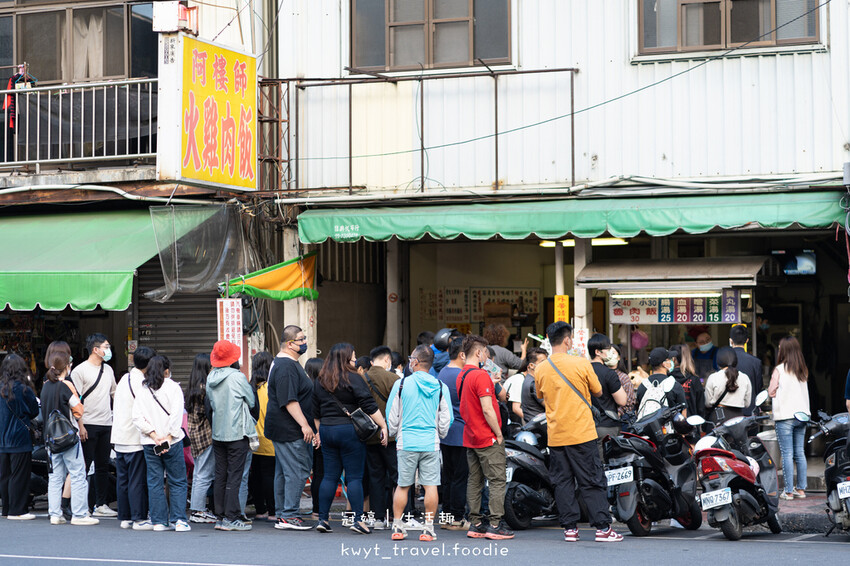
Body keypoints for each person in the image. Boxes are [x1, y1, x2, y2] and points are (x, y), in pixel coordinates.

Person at [534, 322, 623, 543]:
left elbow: (540, 395)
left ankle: (570, 529)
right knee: (591, 480)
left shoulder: (541, 368)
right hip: (581, 432)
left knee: (562, 482)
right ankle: (603, 528)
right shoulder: (581, 363)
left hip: (556, 435)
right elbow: (599, 391)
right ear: (567, 340)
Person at [313, 343, 388, 534]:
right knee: (354, 477)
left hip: (327, 430)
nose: (355, 360)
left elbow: (314, 409)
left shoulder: (321, 379)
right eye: (353, 357)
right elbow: (369, 404)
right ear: (346, 359)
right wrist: (383, 425)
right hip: (349, 431)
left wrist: (318, 432)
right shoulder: (353, 377)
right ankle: (358, 521)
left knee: (329, 476)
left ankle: (322, 519)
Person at [386, 344, 452, 542]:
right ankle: (428, 529)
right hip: (430, 443)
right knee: (430, 486)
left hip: (406, 442)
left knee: (403, 485)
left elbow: (392, 416)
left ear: (415, 361)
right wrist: (439, 435)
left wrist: (396, 434)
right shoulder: (440, 386)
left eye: (410, 358)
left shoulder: (402, 384)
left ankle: (397, 527)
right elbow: (445, 418)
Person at [457, 335, 514, 541]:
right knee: (498, 480)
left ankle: (476, 523)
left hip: (470, 435)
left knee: (475, 480)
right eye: (485, 353)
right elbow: (488, 409)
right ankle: (496, 525)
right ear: (479, 353)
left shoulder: (462, 375)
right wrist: (498, 434)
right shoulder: (480, 375)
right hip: (487, 436)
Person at [265, 326, 316, 531]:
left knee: (284, 471)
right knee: (297, 470)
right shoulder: (286, 366)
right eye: (301, 339)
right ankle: (289, 515)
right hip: (289, 428)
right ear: (290, 344)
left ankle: (282, 512)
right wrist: (305, 425)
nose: (304, 342)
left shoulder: (287, 363)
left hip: (283, 428)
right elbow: (289, 400)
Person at [41, 348, 98, 526]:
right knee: (78, 473)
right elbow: (78, 408)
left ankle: (55, 513)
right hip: (67, 436)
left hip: (50, 439)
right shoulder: (64, 386)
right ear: (66, 367)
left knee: (55, 476)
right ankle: (80, 514)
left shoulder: (45, 388)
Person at [132, 356, 190, 532]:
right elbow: (176, 415)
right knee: (178, 480)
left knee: (155, 481)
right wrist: (169, 437)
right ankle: (178, 519)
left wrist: (154, 434)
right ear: (166, 370)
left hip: (150, 443)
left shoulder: (143, 389)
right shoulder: (173, 388)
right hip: (172, 441)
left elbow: (137, 416)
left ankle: (158, 521)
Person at [206, 340, 257, 532]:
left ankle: (220, 517)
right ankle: (231, 517)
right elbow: (251, 401)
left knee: (220, 475)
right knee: (235, 476)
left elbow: (211, 403)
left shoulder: (211, 377)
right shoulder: (237, 377)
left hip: (218, 432)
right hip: (236, 432)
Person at [71, 333, 117, 517]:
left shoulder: (109, 370)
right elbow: (75, 401)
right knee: (84, 465)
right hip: (88, 424)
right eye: (106, 347)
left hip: (106, 423)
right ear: (95, 349)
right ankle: (81, 505)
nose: (108, 350)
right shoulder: (79, 371)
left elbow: (115, 394)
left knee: (103, 466)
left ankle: (101, 504)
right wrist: (80, 425)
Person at [110, 346, 154, 530]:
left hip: (119, 436)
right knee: (136, 479)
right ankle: (138, 518)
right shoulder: (140, 382)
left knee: (124, 479)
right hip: (133, 437)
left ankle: (126, 517)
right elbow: (145, 409)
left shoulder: (125, 378)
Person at [769, 336, 810, 500]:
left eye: (780, 348)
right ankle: (801, 489)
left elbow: (772, 391)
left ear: (783, 350)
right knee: (799, 452)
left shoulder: (779, 370)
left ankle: (788, 491)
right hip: (802, 415)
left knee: (787, 453)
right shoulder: (802, 369)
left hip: (785, 416)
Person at [364, 345, 400, 529]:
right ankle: (398, 516)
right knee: (397, 476)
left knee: (375, 476)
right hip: (391, 436)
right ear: (387, 360)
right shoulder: (393, 378)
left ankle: (378, 518)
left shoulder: (362, 378)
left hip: (369, 435)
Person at [0, 354, 40, 520]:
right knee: (19, 475)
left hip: (2, 439)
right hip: (20, 438)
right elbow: (34, 411)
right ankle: (18, 510)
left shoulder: (1, 387)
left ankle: (7, 508)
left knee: (5, 476)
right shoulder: (24, 389)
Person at [437, 337, 469, 530]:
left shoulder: (442, 373)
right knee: (460, 477)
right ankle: (457, 517)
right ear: (462, 354)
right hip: (462, 431)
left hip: (446, 431)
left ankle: (446, 516)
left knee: (448, 476)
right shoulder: (462, 375)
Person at [186, 353, 215, 524]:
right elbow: (210, 414)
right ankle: (198, 511)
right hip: (205, 435)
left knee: (198, 473)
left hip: (195, 435)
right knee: (204, 474)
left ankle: (197, 509)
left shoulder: (192, 387)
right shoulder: (205, 389)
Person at [250, 351, 276, 521]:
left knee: (256, 476)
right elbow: (270, 414)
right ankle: (273, 512)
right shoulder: (269, 388)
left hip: (252, 440)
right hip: (268, 439)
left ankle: (260, 510)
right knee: (269, 477)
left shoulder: (250, 386)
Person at [587, 334, 628, 444]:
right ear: (598, 352)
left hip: (586, 427)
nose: (610, 352)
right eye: (608, 349)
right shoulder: (609, 373)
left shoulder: (583, 371)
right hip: (607, 426)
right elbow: (622, 401)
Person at [705, 347, 752, 423]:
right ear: (735, 361)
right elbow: (747, 404)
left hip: (718, 418)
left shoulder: (713, 377)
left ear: (718, 361)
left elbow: (708, 403)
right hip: (738, 418)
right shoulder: (745, 377)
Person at [636, 348, 688, 416]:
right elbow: (683, 413)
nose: (672, 361)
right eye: (669, 359)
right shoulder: (674, 385)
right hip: (668, 426)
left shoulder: (642, 386)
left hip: (646, 426)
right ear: (664, 364)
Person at [304, 357, 325, 517]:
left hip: (306, 435)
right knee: (321, 473)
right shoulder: (319, 388)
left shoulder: (304, 388)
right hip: (319, 434)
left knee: (316, 474)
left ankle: (316, 510)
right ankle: (319, 509)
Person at [730, 325, 764, 416]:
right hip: (750, 411)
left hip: (730, 412)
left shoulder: (725, 361)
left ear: (731, 340)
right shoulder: (756, 362)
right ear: (747, 341)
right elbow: (758, 386)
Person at [670, 344, 705, 419]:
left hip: (669, 426)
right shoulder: (694, 380)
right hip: (691, 424)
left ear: (673, 359)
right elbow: (701, 408)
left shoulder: (667, 379)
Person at [603, 345, 635, 416]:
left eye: (613, 353)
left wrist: (618, 413)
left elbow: (629, 400)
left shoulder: (624, 377)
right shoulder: (601, 374)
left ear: (619, 357)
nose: (610, 355)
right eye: (608, 353)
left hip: (620, 419)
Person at [520, 348, 549, 424]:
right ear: (532, 365)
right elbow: (550, 406)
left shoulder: (529, 380)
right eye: (543, 362)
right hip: (539, 428)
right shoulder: (533, 383)